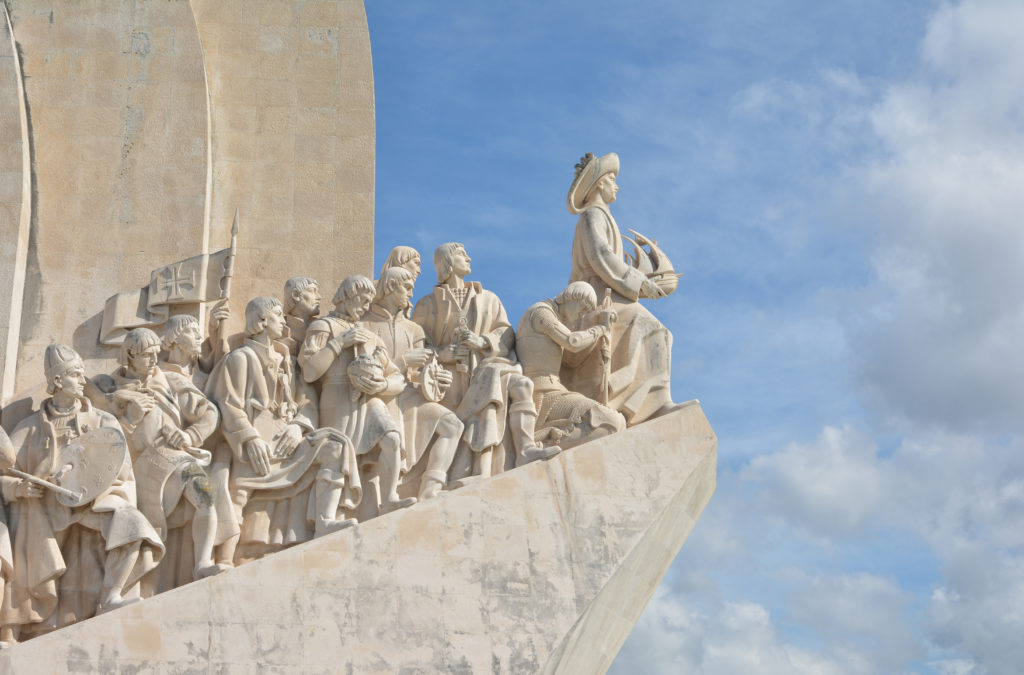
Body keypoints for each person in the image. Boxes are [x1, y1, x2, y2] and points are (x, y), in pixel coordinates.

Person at [0, 345, 163, 641]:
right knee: (23, 524)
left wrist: (103, 493)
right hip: (46, 508)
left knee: (133, 524)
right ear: (58, 381)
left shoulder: (102, 421)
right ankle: (12, 627)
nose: (82, 380)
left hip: (91, 502)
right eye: (75, 375)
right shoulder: (30, 428)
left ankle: (113, 594)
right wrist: (19, 488)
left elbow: (122, 470)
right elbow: (4, 475)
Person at [206, 297, 360, 564]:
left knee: (336, 446)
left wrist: (298, 427)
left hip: (287, 439)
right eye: (278, 315)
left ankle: (324, 520)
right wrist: (250, 438)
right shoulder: (241, 358)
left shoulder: (289, 361)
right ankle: (223, 559)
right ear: (262, 321)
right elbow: (229, 405)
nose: (283, 321)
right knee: (239, 489)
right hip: (255, 441)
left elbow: (307, 402)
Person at [90, 328, 227, 593]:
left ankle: (203, 562)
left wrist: (189, 435)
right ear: (129, 355)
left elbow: (209, 413)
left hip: (173, 457)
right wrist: (126, 412)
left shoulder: (169, 382)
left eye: (156, 354)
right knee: (138, 534)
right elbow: (97, 426)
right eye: (146, 356)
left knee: (206, 495)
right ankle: (120, 591)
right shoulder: (109, 387)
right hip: (134, 471)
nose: (154, 360)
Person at [412, 243, 558, 480]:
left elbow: (505, 332)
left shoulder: (489, 298)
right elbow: (416, 342)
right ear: (447, 262)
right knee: (490, 387)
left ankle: (525, 448)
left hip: (487, 366)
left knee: (519, 385)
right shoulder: (427, 304)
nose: (468, 258)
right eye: (461, 254)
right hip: (450, 382)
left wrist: (482, 342)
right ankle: (479, 469)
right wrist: (442, 354)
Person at [566, 152, 681, 425]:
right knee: (653, 328)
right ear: (598, 184)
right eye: (611, 179)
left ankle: (651, 401)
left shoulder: (602, 216)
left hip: (612, 293)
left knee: (658, 332)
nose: (616, 185)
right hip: (596, 299)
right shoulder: (592, 215)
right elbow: (602, 257)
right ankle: (642, 402)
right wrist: (641, 284)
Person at [300, 276, 417, 516]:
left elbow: (397, 378)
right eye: (363, 301)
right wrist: (339, 343)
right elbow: (310, 371)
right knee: (338, 454)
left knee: (392, 439)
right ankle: (328, 517)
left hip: (369, 397)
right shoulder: (323, 327)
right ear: (348, 296)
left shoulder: (372, 337)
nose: (366, 307)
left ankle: (389, 498)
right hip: (337, 397)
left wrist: (381, 385)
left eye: (369, 302)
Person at [363, 266, 462, 500]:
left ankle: (430, 488)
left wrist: (437, 379)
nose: (410, 294)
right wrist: (403, 360)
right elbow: (365, 369)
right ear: (389, 287)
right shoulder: (364, 325)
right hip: (379, 397)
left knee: (452, 425)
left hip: (408, 397)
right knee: (389, 442)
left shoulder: (414, 329)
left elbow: (420, 374)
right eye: (406, 288)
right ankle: (388, 497)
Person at [516, 282, 626, 451]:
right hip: (543, 393)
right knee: (610, 422)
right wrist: (601, 327)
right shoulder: (541, 313)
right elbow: (572, 342)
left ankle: (546, 441)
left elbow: (573, 360)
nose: (582, 314)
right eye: (583, 308)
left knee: (616, 422)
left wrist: (603, 336)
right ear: (572, 296)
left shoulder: (554, 318)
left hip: (554, 390)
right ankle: (542, 445)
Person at [281, 277, 321, 357]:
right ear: (296, 295)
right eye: (313, 291)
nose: (319, 297)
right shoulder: (279, 332)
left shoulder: (322, 328)